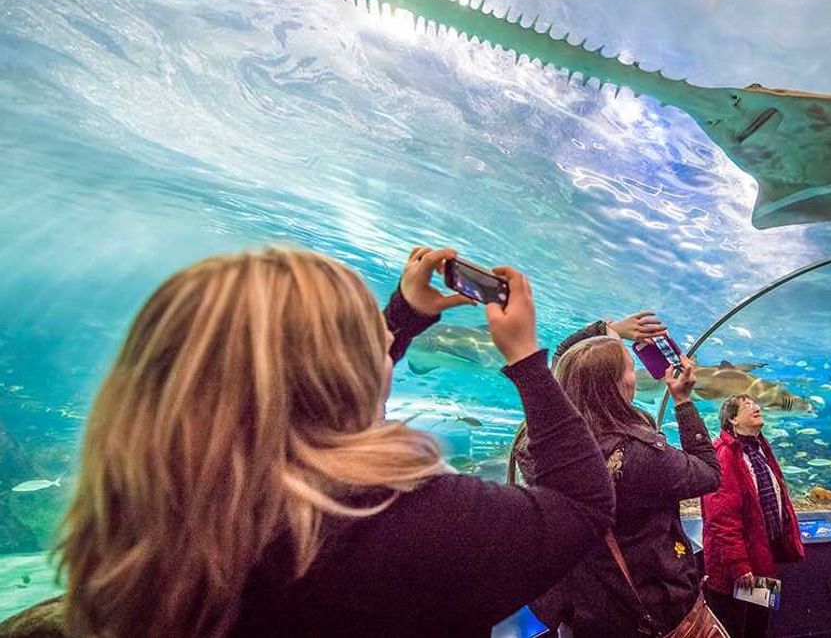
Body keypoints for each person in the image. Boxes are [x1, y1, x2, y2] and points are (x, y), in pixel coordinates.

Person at [54, 246, 615, 638]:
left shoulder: (131, 522)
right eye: (372, 342)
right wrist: (526, 358)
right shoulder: (401, 520)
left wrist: (402, 318)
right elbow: (582, 504)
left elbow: (291, 404)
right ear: (349, 375)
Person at [514, 333, 721, 636]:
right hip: (647, 611)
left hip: (581, 613)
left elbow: (565, 365)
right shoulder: (637, 455)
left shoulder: (534, 444)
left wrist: (606, 329)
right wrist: (683, 401)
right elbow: (709, 473)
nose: (635, 375)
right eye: (631, 368)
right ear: (616, 383)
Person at [701, 394, 805, 638]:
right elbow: (722, 518)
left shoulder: (759, 449)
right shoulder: (725, 454)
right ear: (733, 420)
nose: (756, 407)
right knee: (734, 628)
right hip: (737, 569)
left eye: (755, 403)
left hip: (762, 559)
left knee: (757, 627)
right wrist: (739, 566)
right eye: (747, 405)